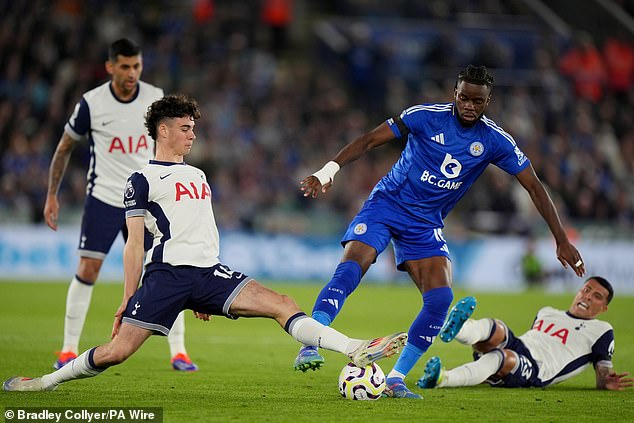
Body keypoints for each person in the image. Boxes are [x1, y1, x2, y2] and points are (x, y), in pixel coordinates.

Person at [3, 94, 407, 392]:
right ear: (163, 131)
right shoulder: (141, 179)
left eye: (193, 128)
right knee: (116, 352)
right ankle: (45, 383)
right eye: (185, 128)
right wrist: (130, 295)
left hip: (208, 273)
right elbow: (134, 244)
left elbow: (200, 230)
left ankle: (354, 347)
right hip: (166, 277)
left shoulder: (198, 176)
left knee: (282, 303)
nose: (192, 135)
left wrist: (205, 294)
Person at [293, 64, 586, 399]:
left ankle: (395, 378)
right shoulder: (424, 116)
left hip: (426, 223)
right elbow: (371, 139)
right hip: (386, 205)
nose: (469, 106)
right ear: (455, 94)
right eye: (464, 98)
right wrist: (329, 170)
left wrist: (561, 239)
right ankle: (310, 341)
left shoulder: (494, 141)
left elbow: (534, 186)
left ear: (487, 102)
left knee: (440, 299)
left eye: (478, 101)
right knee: (352, 268)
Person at [42, 38, 198, 371]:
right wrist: (52, 193)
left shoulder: (154, 98)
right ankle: (68, 349)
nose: (132, 73)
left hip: (148, 197)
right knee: (88, 269)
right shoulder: (92, 102)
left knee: (169, 269)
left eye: (137, 66)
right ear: (110, 67)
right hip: (104, 198)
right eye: (125, 66)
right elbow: (65, 146)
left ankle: (179, 352)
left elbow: (174, 144)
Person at [418, 277, 633, 391]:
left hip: (538, 370)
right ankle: (458, 329)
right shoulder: (547, 312)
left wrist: (605, 381)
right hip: (521, 344)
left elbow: (603, 373)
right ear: (578, 291)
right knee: (497, 327)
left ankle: (442, 379)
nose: (587, 296)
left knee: (504, 358)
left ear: (604, 308)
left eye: (596, 296)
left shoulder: (602, 330)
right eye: (586, 290)